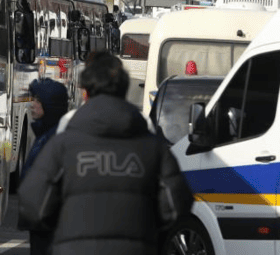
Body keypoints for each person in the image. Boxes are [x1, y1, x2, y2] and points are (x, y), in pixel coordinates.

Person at [18, 50, 193, 255]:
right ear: (124, 90)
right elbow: (177, 205)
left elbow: (32, 203)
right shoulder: (153, 147)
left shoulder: (63, 144)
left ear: (86, 93)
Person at [18, 78, 69, 255]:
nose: (32, 105)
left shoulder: (55, 139)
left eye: (38, 101)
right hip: (41, 220)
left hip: (48, 222)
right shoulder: (44, 134)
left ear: (51, 105)